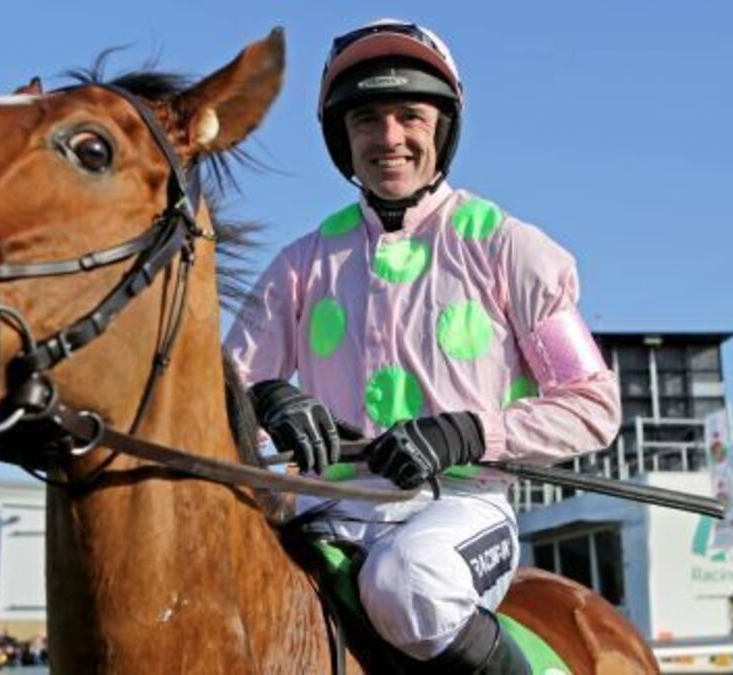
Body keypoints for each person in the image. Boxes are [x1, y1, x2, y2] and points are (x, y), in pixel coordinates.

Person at [225, 18, 621, 673]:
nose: (388, 137)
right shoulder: (299, 264)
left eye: (409, 115)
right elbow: (227, 385)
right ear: (342, 139)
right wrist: (269, 398)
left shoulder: (511, 248)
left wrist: (467, 433)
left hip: (459, 509)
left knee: (407, 586)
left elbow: (592, 406)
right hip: (327, 506)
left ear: (442, 129)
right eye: (366, 120)